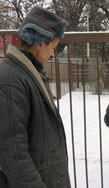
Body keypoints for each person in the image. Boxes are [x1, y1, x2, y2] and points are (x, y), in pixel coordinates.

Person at [0, 6, 71, 188]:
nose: (54, 54)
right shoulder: (10, 81)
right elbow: (14, 156)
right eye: (53, 47)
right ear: (39, 44)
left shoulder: (28, 74)